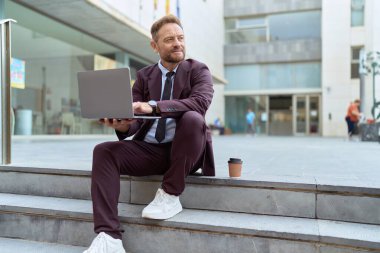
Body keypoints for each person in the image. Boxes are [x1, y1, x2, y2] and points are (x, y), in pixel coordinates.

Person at [83, 15, 215, 253]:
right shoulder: (144, 76)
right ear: (154, 46)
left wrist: (154, 106)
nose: (177, 43)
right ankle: (108, 237)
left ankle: (170, 193)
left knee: (193, 118)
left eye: (181, 38)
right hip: (150, 151)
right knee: (103, 151)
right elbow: (134, 121)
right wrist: (121, 125)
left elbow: (200, 103)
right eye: (169, 39)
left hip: (185, 153)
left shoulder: (199, 70)